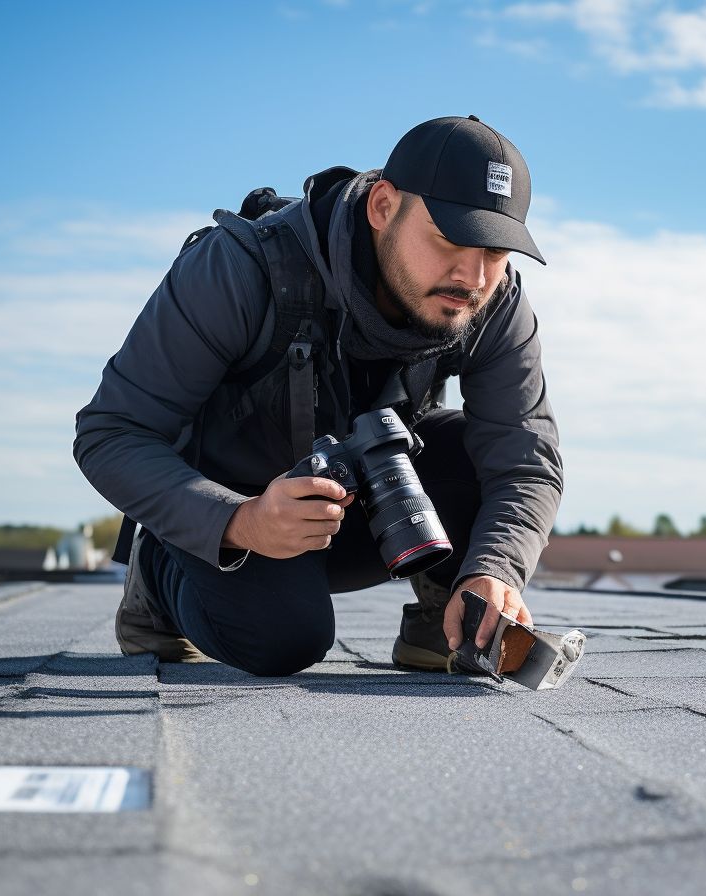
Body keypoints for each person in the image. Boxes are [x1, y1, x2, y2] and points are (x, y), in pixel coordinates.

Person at [73, 115, 563, 676]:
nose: (473, 277)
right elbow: (109, 433)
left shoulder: (492, 304)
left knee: (480, 452)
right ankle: (158, 580)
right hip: (237, 512)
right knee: (284, 640)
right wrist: (239, 522)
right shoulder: (239, 267)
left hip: (364, 509)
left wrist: (496, 570)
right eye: (451, 239)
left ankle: (448, 620)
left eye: (496, 252)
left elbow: (528, 463)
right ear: (383, 207)